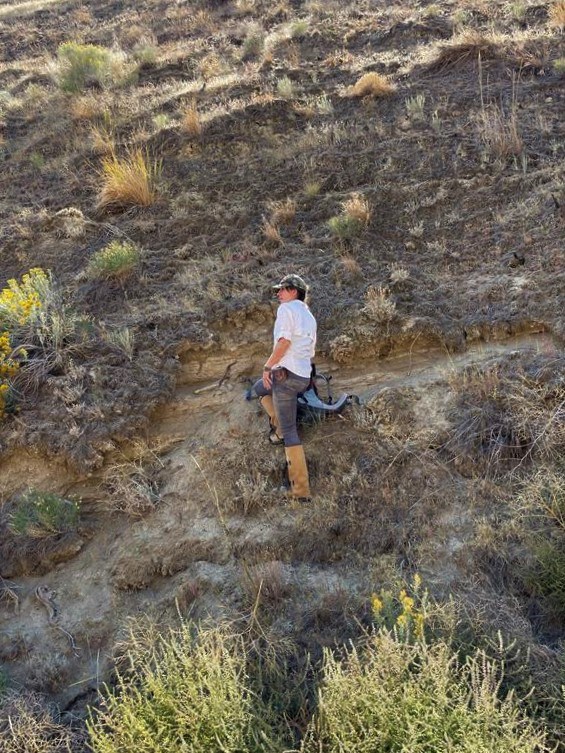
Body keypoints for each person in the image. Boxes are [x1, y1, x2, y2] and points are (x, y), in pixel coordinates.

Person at [253, 274, 317, 499]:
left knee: (291, 432)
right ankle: (278, 427)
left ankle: (300, 492)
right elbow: (309, 352)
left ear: (293, 291)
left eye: (282, 289)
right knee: (259, 389)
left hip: (284, 376)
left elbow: (284, 342)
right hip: (302, 377)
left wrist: (268, 366)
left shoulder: (286, 310)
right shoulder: (309, 316)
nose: (278, 294)